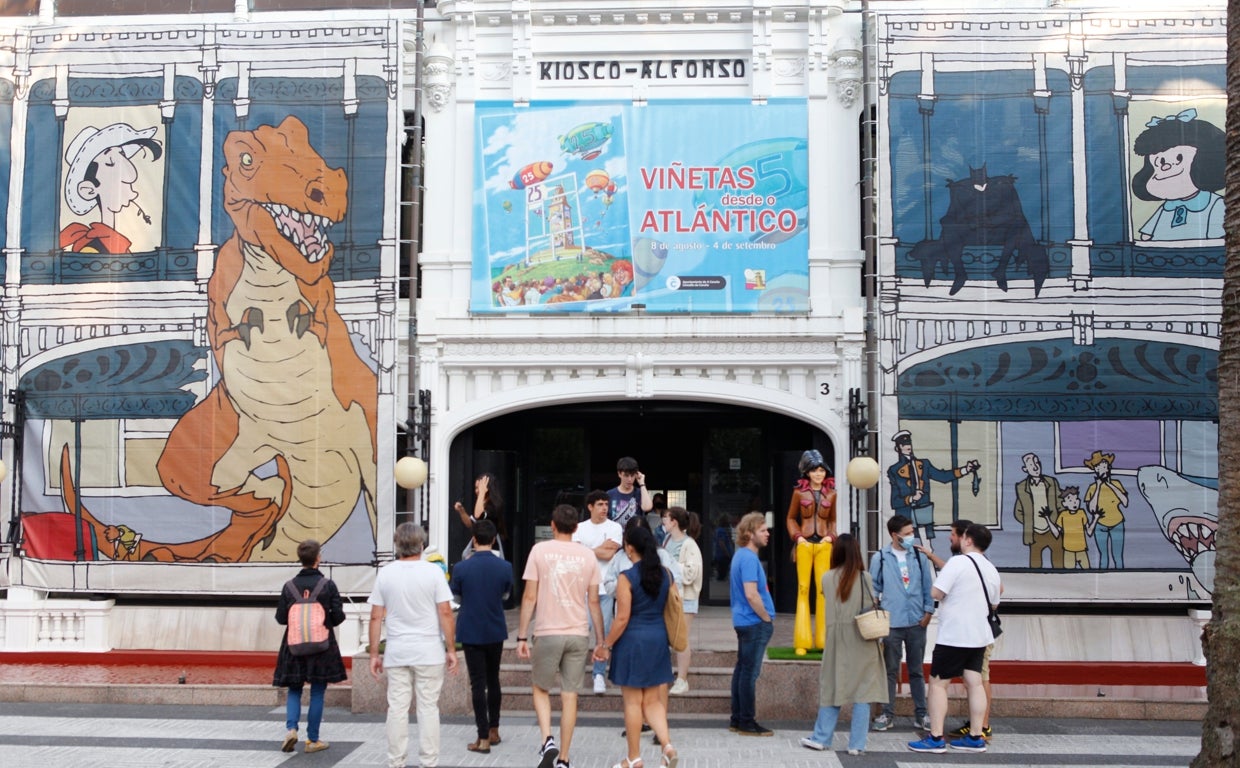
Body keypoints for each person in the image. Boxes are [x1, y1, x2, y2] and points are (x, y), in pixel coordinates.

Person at [518, 503, 607, 768]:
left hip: (547, 631)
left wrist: (522, 636)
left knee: (541, 688)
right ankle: (565, 759)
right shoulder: (588, 556)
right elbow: (594, 602)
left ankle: (548, 739)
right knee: (570, 696)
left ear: (552, 526)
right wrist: (601, 641)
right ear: (577, 528)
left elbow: (530, 596)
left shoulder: (539, 551)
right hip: (578, 632)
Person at [368, 523, 459, 768]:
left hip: (398, 651)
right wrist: (451, 649)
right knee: (428, 708)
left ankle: (395, 762)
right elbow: (445, 613)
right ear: (421, 544)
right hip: (429, 650)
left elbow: (376, 616)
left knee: (397, 708)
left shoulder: (386, 573)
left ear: (398, 545)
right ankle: (428, 762)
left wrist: (374, 653)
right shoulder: (433, 573)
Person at [907, 524, 1001, 754]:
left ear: (968, 540)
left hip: (955, 635)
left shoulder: (959, 562)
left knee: (939, 684)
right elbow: (995, 603)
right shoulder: (990, 568)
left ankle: (936, 737)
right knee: (975, 683)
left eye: (960, 536)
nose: (955, 538)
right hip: (980, 636)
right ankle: (976, 736)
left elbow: (936, 593)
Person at [597, 525, 680, 768]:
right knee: (653, 701)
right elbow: (673, 605)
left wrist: (605, 645)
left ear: (629, 548)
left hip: (632, 641)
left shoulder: (627, 577)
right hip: (658, 639)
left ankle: (634, 758)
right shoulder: (666, 575)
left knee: (633, 702)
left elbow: (622, 618)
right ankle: (667, 746)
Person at [800, 533, 888, 756]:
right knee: (863, 692)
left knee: (832, 686)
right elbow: (870, 604)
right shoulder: (865, 578)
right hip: (862, 638)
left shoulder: (827, 578)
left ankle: (821, 737)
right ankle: (856, 745)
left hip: (836, 639)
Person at [273, 539, 347, 754]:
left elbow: (280, 618)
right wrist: (325, 623)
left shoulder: (288, 587)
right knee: (317, 692)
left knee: (294, 689)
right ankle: (313, 740)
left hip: (294, 646)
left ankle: (291, 729)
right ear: (318, 559)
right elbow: (339, 615)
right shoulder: (328, 585)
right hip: (322, 647)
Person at [449, 519, 514, 754]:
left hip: (470, 628)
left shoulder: (462, 568)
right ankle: (495, 729)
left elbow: (455, 598)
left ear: (474, 540)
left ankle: (482, 736)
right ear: (494, 539)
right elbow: (506, 596)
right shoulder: (504, 567)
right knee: (493, 679)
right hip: (495, 627)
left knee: (477, 683)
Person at [869, 514, 935, 732]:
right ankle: (887, 714)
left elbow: (928, 585)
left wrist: (928, 612)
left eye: (911, 532)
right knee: (890, 669)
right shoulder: (881, 556)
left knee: (916, 669)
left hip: (916, 620)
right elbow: (874, 586)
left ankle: (921, 713)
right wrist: (877, 604)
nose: (911, 537)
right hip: (891, 621)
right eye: (907, 534)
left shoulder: (918, 556)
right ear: (894, 535)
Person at [60, 122, 163, 254]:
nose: (130, 175)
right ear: (89, 190)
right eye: (111, 162)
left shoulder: (117, 241)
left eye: (123, 156)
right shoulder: (92, 247)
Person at [1131, 108, 1225, 241]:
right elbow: (1147, 235)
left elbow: (1220, 235)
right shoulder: (1168, 206)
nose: (1166, 167)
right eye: (1159, 162)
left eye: (1179, 159)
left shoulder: (1215, 204)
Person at [728, 511, 776, 737]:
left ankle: (738, 719)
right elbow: (751, 594)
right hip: (753, 621)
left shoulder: (740, 556)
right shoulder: (748, 558)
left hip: (744, 621)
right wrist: (766, 617)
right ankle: (746, 721)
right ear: (749, 533)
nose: (768, 533)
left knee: (742, 670)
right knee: (749, 673)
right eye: (763, 530)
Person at [573, 489, 624, 695]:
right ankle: (574, 674)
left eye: (606, 504)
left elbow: (610, 554)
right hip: (581, 588)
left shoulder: (615, 527)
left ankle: (599, 675)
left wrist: (586, 549)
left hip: (604, 588)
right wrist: (597, 549)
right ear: (590, 507)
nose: (604, 508)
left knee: (602, 635)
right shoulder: (579, 527)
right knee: (579, 633)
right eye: (600, 504)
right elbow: (576, 555)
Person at [786, 449, 836, 655]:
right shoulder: (799, 493)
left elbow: (832, 519)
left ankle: (823, 640)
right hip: (805, 544)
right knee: (803, 589)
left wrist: (831, 536)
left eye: (821, 470)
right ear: (807, 472)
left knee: (823, 591)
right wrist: (797, 537)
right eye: (814, 470)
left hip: (824, 544)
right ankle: (802, 640)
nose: (818, 474)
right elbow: (790, 518)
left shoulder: (831, 494)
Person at [887, 430, 980, 540]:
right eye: (903, 444)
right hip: (905, 515)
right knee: (906, 543)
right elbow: (895, 501)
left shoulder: (924, 464)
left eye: (908, 443)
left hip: (924, 509)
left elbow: (943, 477)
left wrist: (966, 469)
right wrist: (911, 498)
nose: (907, 446)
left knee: (927, 543)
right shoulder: (894, 470)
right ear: (898, 448)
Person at [663, 507, 703, 695]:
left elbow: (691, 573)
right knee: (671, 637)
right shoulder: (667, 540)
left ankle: (682, 679)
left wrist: (671, 566)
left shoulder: (690, 544)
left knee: (682, 639)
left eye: (667, 518)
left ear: (674, 522)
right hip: (670, 597)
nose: (664, 521)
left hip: (685, 598)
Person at [1013, 452, 1064, 569]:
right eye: (1031, 464)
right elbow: (1018, 512)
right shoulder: (1021, 487)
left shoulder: (1051, 482)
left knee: (1059, 563)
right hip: (1035, 533)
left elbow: (1060, 504)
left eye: (1037, 462)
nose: (1035, 466)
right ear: (1025, 469)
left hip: (1053, 530)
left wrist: (1059, 524)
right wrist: (1029, 523)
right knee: (1035, 565)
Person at [1084, 450, 1127, 569]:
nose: (1103, 468)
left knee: (1118, 556)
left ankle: (1120, 579)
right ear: (1096, 469)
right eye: (1099, 466)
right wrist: (1098, 486)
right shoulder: (1092, 487)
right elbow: (1091, 509)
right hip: (1100, 524)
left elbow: (1125, 502)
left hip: (1117, 523)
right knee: (1103, 556)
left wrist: (1110, 485)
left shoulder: (1116, 483)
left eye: (1105, 465)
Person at [454, 472, 506, 559]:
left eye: (479, 488)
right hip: (478, 546)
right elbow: (470, 523)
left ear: (487, 488)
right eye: (476, 488)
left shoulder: (493, 505)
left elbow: (478, 515)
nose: (477, 491)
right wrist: (461, 511)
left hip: (491, 548)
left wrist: (482, 493)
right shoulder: (481, 503)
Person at [610, 456, 654, 528]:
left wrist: (642, 484)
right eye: (626, 476)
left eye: (632, 475)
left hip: (635, 536)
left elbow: (647, 507)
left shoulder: (640, 492)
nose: (630, 479)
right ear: (619, 474)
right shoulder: (610, 494)